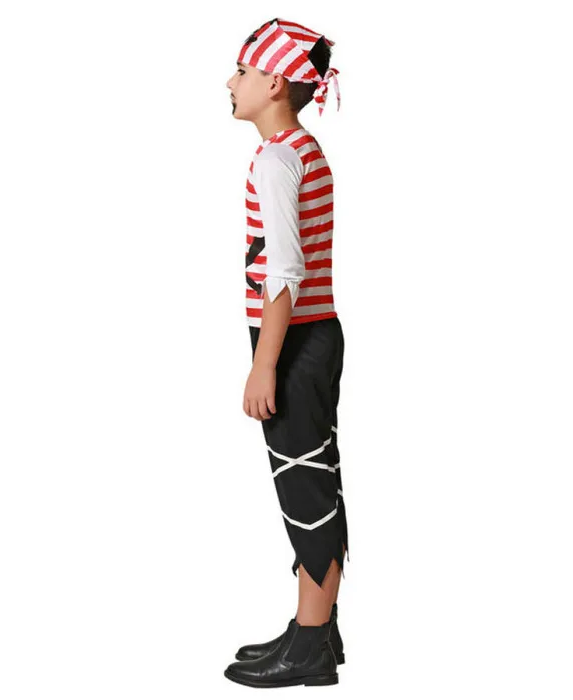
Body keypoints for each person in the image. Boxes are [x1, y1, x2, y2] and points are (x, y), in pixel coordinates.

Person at [223, 18, 349, 688]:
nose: (230, 82)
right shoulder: (301, 148)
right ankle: (314, 628)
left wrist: (264, 364)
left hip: (292, 339)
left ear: (274, 82)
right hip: (312, 333)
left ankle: (310, 645)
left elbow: (284, 272)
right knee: (314, 476)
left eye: (242, 71)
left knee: (304, 483)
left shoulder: (277, 160)